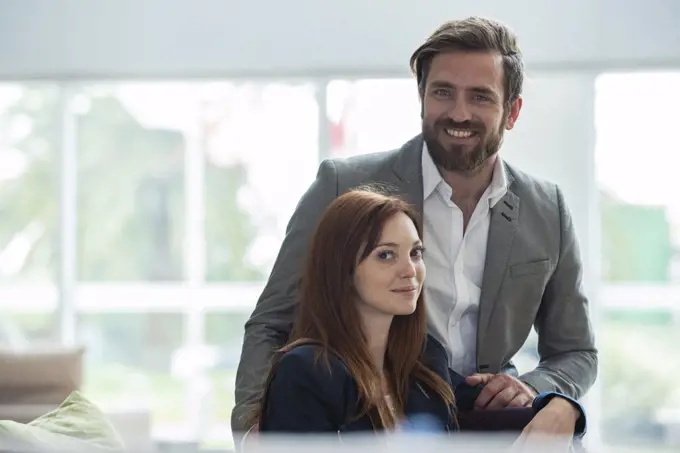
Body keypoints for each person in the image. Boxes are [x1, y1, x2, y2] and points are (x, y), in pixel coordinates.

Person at [232, 16, 597, 436]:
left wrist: (531, 390)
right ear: (422, 97)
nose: (459, 112)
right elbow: (272, 321)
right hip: (364, 417)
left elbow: (576, 351)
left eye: (480, 96)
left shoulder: (546, 208)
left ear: (511, 111)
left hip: (480, 420)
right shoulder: (344, 186)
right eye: (443, 92)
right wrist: (252, 429)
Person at [249, 188, 585, 447]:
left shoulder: (424, 359)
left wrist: (561, 406)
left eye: (415, 253)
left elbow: (500, 406)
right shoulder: (305, 371)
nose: (409, 270)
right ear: (342, 270)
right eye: (386, 255)